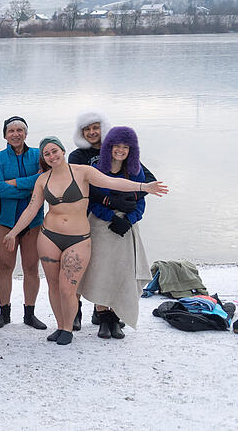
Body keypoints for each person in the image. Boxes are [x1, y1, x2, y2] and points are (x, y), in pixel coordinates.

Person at [3, 136, 167, 345]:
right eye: (47, 153)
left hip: (77, 238)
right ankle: (61, 326)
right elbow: (32, 208)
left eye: (55, 151)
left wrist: (144, 187)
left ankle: (68, 328)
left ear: (62, 151)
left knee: (67, 288)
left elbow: (112, 182)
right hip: (48, 237)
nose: (52, 156)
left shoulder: (83, 172)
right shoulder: (42, 179)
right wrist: (13, 233)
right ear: (43, 158)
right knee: (53, 286)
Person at [68, 110, 156, 329]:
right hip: (91, 215)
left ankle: (109, 313)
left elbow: (147, 183)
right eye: (87, 129)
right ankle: (75, 311)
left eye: (95, 127)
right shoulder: (78, 157)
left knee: (116, 268)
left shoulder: (123, 153)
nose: (91, 132)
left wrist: (131, 202)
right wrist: (110, 202)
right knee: (88, 267)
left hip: (123, 217)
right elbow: (83, 189)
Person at [0, 116, 47, 331]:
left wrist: (16, 183)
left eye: (20, 130)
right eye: (11, 130)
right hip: (6, 221)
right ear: (5, 135)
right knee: (5, 266)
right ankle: (4, 312)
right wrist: (31, 185)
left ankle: (29, 313)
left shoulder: (38, 156)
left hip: (33, 223)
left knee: (31, 267)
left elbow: (45, 180)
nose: (15, 134)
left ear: (26, 133)